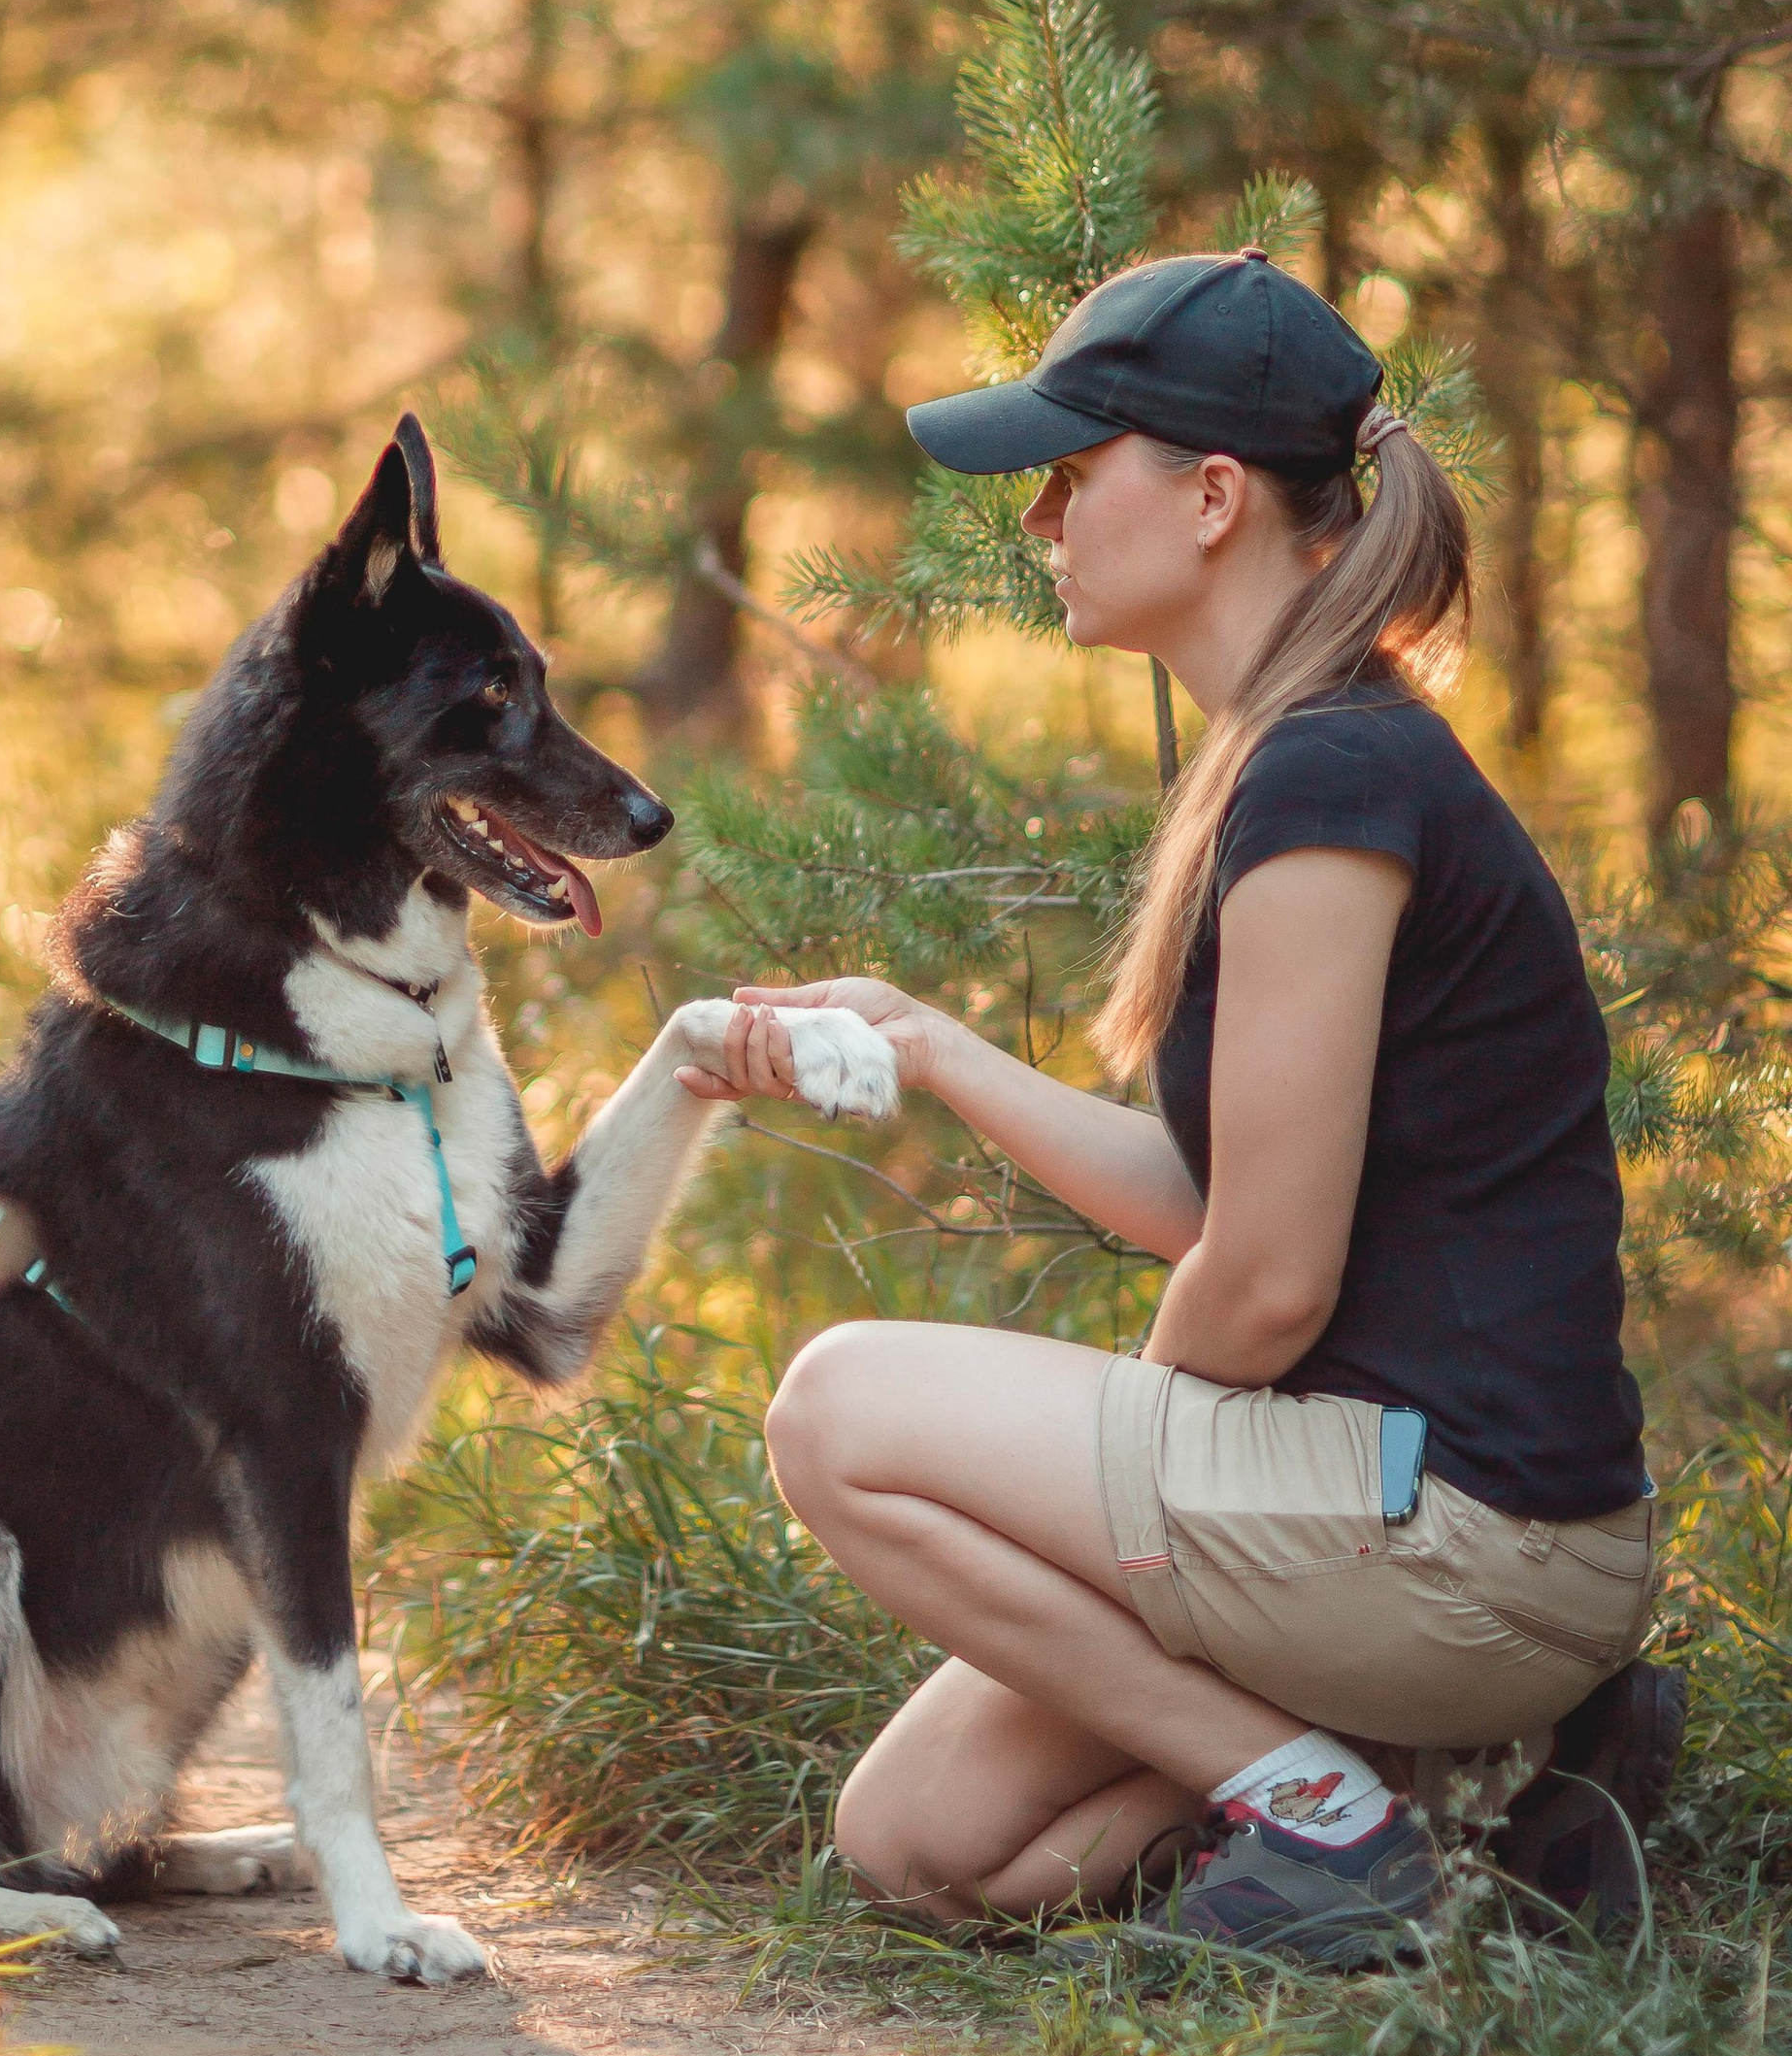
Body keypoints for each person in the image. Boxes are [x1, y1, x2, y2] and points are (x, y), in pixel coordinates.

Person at [683, 249, 1662, 1963]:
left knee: (836, 1408)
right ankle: (1453, 1779)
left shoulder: (1336, 779)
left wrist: (1135, 1461)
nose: (1041, 519)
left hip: (1469, 1532)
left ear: (1213, 495)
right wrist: (931, 1046)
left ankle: (1327, 1816)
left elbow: (1267, 1285)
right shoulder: (1304, 760)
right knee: (922, 1842)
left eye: (1073, 473)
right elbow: (1223, 1203)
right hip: (1389, 1521)